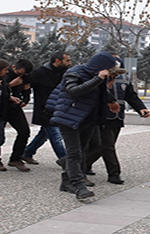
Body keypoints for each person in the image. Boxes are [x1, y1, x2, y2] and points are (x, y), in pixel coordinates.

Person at [46, 51, 122, 200]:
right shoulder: (74, 72)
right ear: (101, 67)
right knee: (75, 153)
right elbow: (73, 91)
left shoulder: (99, 77)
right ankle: (78, 185)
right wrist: (98, 78)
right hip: (68, 117)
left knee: (81, 151)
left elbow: (99, 94)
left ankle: (67, 181)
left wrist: (111, 101)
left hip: (87, 119)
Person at [85, 57, 150, 185]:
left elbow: (131, 96)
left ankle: (80, 164)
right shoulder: (97, 77)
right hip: (101, 117)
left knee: (105, 146)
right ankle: (114, 173)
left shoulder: (125, 79)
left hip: (117, 117)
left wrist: (141, 108)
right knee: (106, 146)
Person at [21, 52, 71, 165]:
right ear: (57, 61)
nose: (70, 63)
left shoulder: (63, 73)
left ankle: (27, 153)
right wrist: (24, 98)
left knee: (44, 134)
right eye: (67, 60)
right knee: (55, 136)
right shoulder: (40, 73)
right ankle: (67, 161)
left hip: (57, 109)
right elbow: (24, 83)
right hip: (44, 110)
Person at [0, 60, 33, 172]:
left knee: (24, 132)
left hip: (15, 108)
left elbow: (27, 88)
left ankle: (16, 158)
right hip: (1, 108)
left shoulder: (25, 76)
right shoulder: (3, 75)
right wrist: (9, 86)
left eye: (23, 74)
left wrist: (25, 99)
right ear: (14, 67)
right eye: (20, 73)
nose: (21, 76)